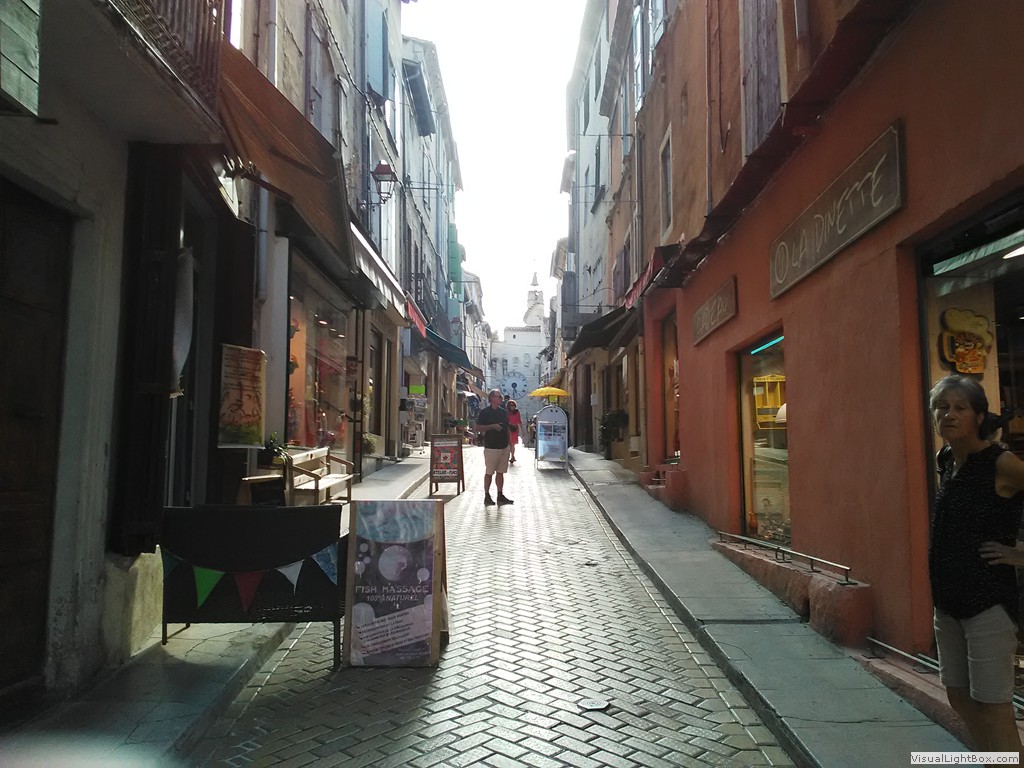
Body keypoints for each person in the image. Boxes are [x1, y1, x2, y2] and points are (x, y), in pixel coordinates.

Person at [929, 374, 1024, 754]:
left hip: (988, 604)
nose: (949, 415)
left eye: (960, 408)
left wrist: (1020, 553)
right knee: (959, 696)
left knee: (993, 708)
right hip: (947, 602)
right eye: (942, 407)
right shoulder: (947, 459)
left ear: (979, 416)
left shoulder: (1001, 463)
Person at [476, 389, 514, 506]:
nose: (501, 398)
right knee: (489, 472)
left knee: (501, 472)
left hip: (503, 446)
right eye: (499, 396)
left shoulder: (503, 412)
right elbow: (478, 427)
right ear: (492, 398)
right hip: (491, 447)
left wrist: (509, 444)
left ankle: (500, 495)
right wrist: (492, 426)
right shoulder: (485, 412)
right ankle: (487, 495)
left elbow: (507, 428)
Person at [507, 400, 523, 464]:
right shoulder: (507, 412)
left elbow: (519, 420)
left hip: (515, 428)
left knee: (512, 443)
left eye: (513, 405)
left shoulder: (517, 412)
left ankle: (512, 456)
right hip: (509, 428)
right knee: (509, 443)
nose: (512, 406)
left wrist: (522, 430)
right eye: (511, 405)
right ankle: (512, 456)